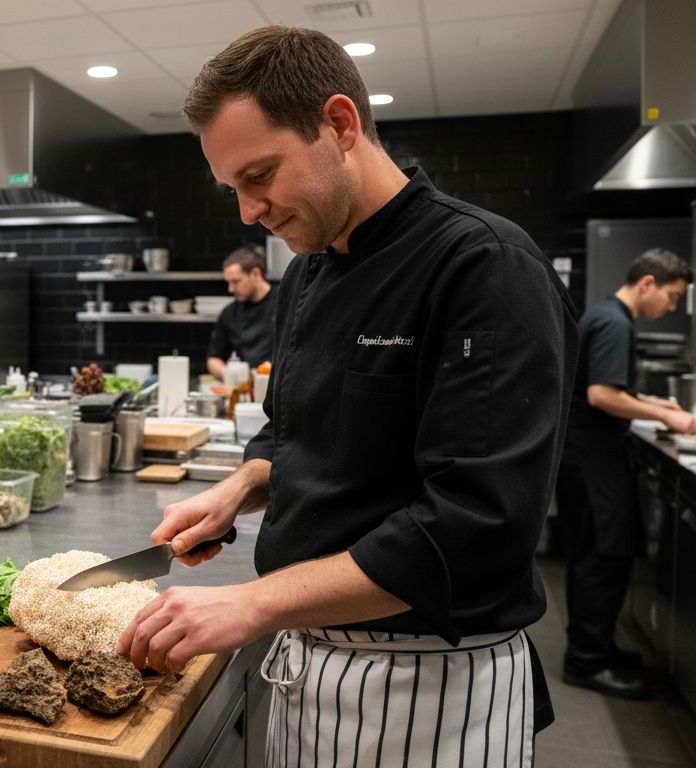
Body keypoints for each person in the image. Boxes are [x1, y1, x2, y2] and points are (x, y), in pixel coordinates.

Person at [116, 26, 577, 765]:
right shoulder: (308, 273)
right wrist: (239, 489)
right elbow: (299, 433)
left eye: (260, 174)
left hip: (434, 687)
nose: (248, 210)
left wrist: (252, 602)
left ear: (339, 124)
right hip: (311, 667)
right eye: (232, 187)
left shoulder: (483, 266)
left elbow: (477, 526)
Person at [555, 248, 695, 699]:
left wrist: (656, 405)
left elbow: (613, 389)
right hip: (593, 459)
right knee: (600, 559)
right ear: (648, 283)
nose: (670, 309)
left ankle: (598, 649)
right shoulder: (615, 323)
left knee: (598, 556)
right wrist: (671, 420)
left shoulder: (605, 313)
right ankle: (586, 662)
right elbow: (601, 395)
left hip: (585, 457)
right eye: (671, 298)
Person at [206, 245, 275, 378]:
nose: (230, 289)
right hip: (245, 388)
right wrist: (230, 375)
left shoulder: (286, 300)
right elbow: (213, 359)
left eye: (236, 281)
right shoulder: (229, 313)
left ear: (255, 274)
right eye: (228, 282)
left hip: (280, 385)